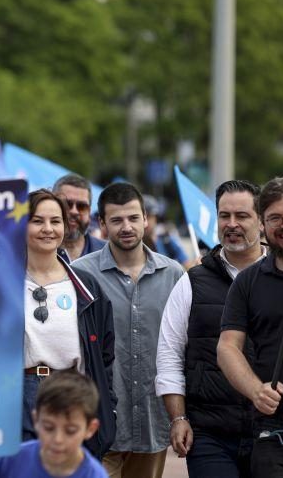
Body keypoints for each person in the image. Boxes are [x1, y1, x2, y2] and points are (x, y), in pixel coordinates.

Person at [71, 182, 185, 478]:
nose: (127, 227)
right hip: (98, 422)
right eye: (117, 220)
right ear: (102, 224)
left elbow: (181, 344)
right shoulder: (81, 274)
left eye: (134, 218)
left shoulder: (173, 273)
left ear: (146, 219)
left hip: (153, 421)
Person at [155, 179, 264, 477]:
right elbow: (168, 355)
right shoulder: (192, 282)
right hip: (209, 436)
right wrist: (178, 419)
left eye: (242, 216)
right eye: (224, 216)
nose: (232, 224)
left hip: (273, 436)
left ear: (262, 221)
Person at [21, 189, 116, 459]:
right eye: (37, 221)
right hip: (18, 395)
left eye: (56, 221)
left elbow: (106, 356)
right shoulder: (1, 284)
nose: (48, 229)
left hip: (74, 392)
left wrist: (109, 408)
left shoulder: (87, 285)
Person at [218, 176, 283, 475]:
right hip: (278, 433)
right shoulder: (248, 282)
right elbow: (228, 347)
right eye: (275, 218)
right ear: (263, 226)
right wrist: (256, 390)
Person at [0, 371, 109, 478]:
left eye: (70, 430)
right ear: (35, 420)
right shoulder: (12, 460)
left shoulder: (95, 475)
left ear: (90, 429)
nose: (58, 439)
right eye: (48, 427)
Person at [53, 174, 106, 261]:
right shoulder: (31, 251)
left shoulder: (108, 254)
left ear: (89, 212)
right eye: (67, 204)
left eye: (81, 206)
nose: (74, 211)